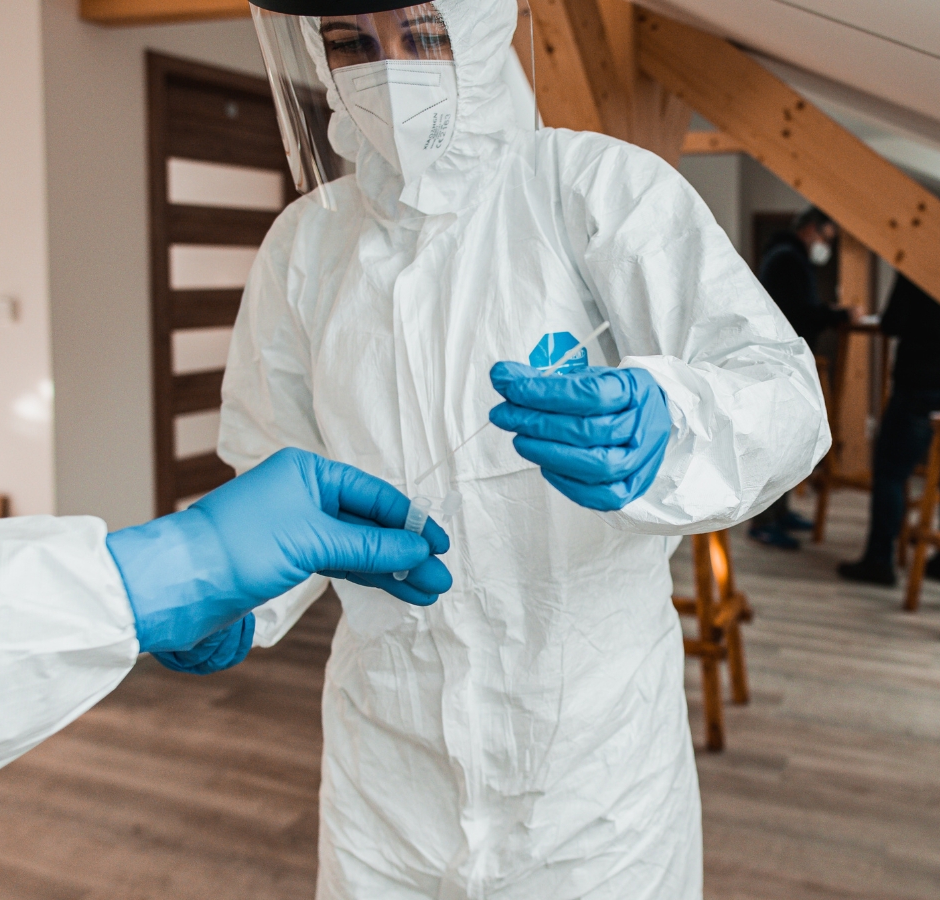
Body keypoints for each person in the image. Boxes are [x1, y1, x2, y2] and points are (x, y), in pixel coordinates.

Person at [232, 2, 830, 897]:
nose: (386, 73)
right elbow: (274, 476)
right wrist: (235, 600)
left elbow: (782, 390)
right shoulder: (308, 246)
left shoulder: (591, 189)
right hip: (387, 771)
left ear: (478, 27)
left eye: (420, 37)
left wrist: (670, 422)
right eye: (350, 45)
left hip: (591, 781)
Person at [0, 448, 451, 803]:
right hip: (379, 769)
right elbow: (272, 430)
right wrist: (231, 595)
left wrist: (184, 568)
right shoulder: (305, 263)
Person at [839, 200, 940, 586]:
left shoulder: (922, 267)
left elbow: (893, 322)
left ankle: (880, 560)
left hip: (926, 382)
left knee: (892, 470)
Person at [748, 206, 851, 549]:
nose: (826, 246)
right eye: (826, 238)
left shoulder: (788, 256)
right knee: (776, 444)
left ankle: (779, 513)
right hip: (778, 362)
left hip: (784, 361)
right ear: (811, 229)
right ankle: (764, 521)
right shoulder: (786, 259)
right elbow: (797, 315)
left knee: (787, 442)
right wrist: (834, 314)